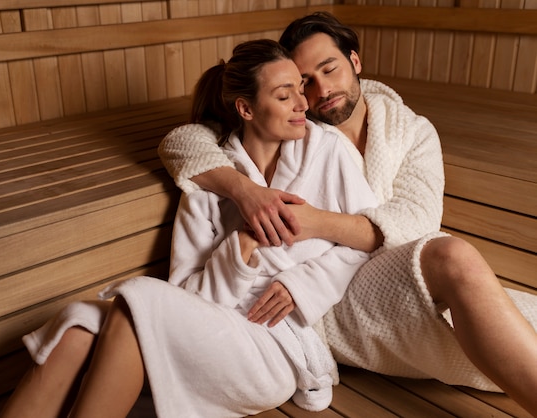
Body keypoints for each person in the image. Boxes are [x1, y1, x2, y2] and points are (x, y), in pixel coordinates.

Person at [158, 12, 537, 415]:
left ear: (355, 62)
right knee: (454, 257)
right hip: (333, 296)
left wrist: (316, 223)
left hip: (397, 270)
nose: (320, 91)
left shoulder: (410, 131)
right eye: (304, 81)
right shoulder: (299, 126)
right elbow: (185, 140)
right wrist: (245, 190)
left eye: (330, 69)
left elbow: (417, 224)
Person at [0, 39, 380, 418]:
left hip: (275, 341)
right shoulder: (209, 178)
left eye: (300, 89)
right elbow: (189, 293)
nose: (302, 103)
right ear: (246, 108)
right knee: (78, 329)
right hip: (212, 322)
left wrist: (302, 287)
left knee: (133, 301)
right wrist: (243, 245)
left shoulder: (328, 151)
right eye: (285, 96)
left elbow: (365, 237)